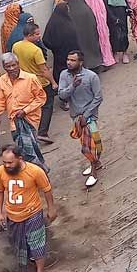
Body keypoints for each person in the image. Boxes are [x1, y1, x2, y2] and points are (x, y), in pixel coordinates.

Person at [0, 146, 56, 272]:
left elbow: (47, 189)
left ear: (20, 159)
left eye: (10, 162)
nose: (7, 166)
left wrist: (51, 208)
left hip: (32, 214)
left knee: (37, 243)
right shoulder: (0, 172)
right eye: (4, 162)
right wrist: (0, 213)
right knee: (20, 244)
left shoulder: (35, 171)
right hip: (13, 216)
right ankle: (32, 260)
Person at [0, 54, 48, 171]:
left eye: (13, 65)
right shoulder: (3, 80)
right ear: (4, 67)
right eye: (8, 66)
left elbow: (41, 98)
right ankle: (38, 171)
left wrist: (25, 110)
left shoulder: (30, 78)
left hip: (30, 120)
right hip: (14, 122)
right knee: (24, 150)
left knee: (29, 150)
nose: (11, 68)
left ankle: (38, 172)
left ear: (18, 64)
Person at [57, 51, 105, 187]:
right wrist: (73, 86)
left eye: (73, 60)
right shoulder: (64, 75)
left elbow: (98, 97)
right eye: (68, 59)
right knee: (87, 144)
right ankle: (96, 163)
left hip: (89, 117)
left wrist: (87, 115)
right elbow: (61, 95)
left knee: (89, 146)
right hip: (76, 116)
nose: (69, 62)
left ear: (81, 62)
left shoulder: (91, 76)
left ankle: (94, 173)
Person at [14, 23, 57, 144]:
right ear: (29, 35)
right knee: (47, 105)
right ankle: (42, 132)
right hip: (40, 82)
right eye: (37, 34)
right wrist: (53, 82)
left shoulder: (16, 46)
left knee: (31, 107)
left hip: (25, 82)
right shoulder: (36, 50)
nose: (39, 36)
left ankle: (30, 132)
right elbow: (44, 70)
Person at [43, 0, 80, 87]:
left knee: (62, 73)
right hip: (69, 54)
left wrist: (55, 48)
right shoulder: (68, 22)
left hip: (60, 55)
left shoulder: (52, 22)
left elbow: (45, 39)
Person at [78, 0, 116, 68]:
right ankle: (106, 61)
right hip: (99, 21)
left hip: (92, 22)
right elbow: (103, 9)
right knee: (102, 40)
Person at [67, 0, 105, 71]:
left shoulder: (69, 9)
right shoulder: (86, 8)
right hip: (90, 36)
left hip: (78, 37)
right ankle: (94, 65)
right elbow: (94, 23)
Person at [100, 0, 132, 64]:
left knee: (124, 33)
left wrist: (128, 9)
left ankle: (125, 53)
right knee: (114, 34)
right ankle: (115, 53)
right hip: (112, 14)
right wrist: (113, 18)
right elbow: (105, 5)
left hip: (122, 12)